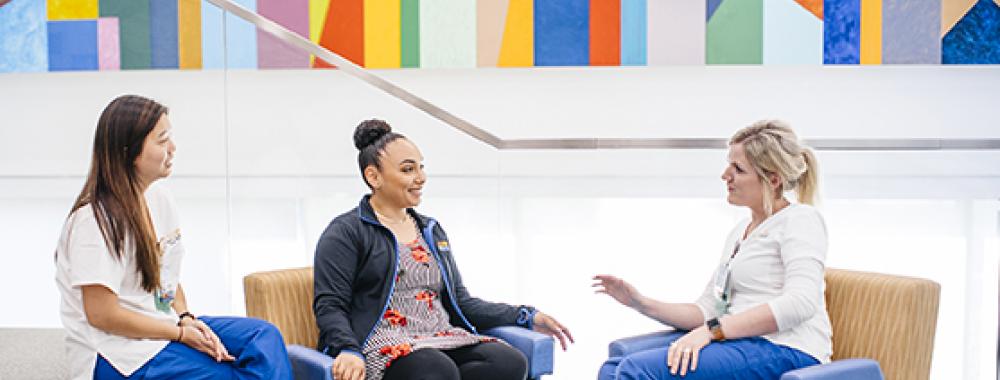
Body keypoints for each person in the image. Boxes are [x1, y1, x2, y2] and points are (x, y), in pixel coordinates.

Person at [314, 119, 575, 380]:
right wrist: (347, 348)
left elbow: (461, 301)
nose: (420, 178)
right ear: (373, 176)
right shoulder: (346, 231)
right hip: (384, 344)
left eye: (421, 167)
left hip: (440, 335)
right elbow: (330, 305)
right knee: (437, 371)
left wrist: (526, 315)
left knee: (509, 363)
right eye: (407, 170)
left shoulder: (430, 229)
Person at [54, 95, 292, 379]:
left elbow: (167, 277)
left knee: (263, 337)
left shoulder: (159, 198)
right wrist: (179, 334)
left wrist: (186, 318)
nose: (173, 148)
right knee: (226, 374)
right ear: (129, 151)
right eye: (162, 139)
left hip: (163, 327)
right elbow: (102, 315)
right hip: (117, 352)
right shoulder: (93, 221)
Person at [594, 120, 832, 379]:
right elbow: (708, 309)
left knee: (636, 370)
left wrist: (713, 330)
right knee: (613, 367)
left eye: (738, 169)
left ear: (772, 179)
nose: (725, 175)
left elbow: (801, 303)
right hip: (741, 342)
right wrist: (640, 303)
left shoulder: (800, 220)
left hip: (787, 348)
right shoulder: (741, 232)